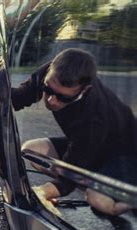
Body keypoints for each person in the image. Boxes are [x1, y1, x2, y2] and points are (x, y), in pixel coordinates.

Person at [12, 48, 137, 216]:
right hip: (89, 148)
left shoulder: (95, 116)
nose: (51, 100)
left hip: (124, 156)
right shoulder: (52, 73)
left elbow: (69, 176)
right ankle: (93, 180)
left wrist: (41, 193)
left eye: (63, 98)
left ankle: (128, 197)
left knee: (97, 199)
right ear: (49, 70)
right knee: (31, 151)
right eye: (48, 90)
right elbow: (19, 97)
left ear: (84, 90)